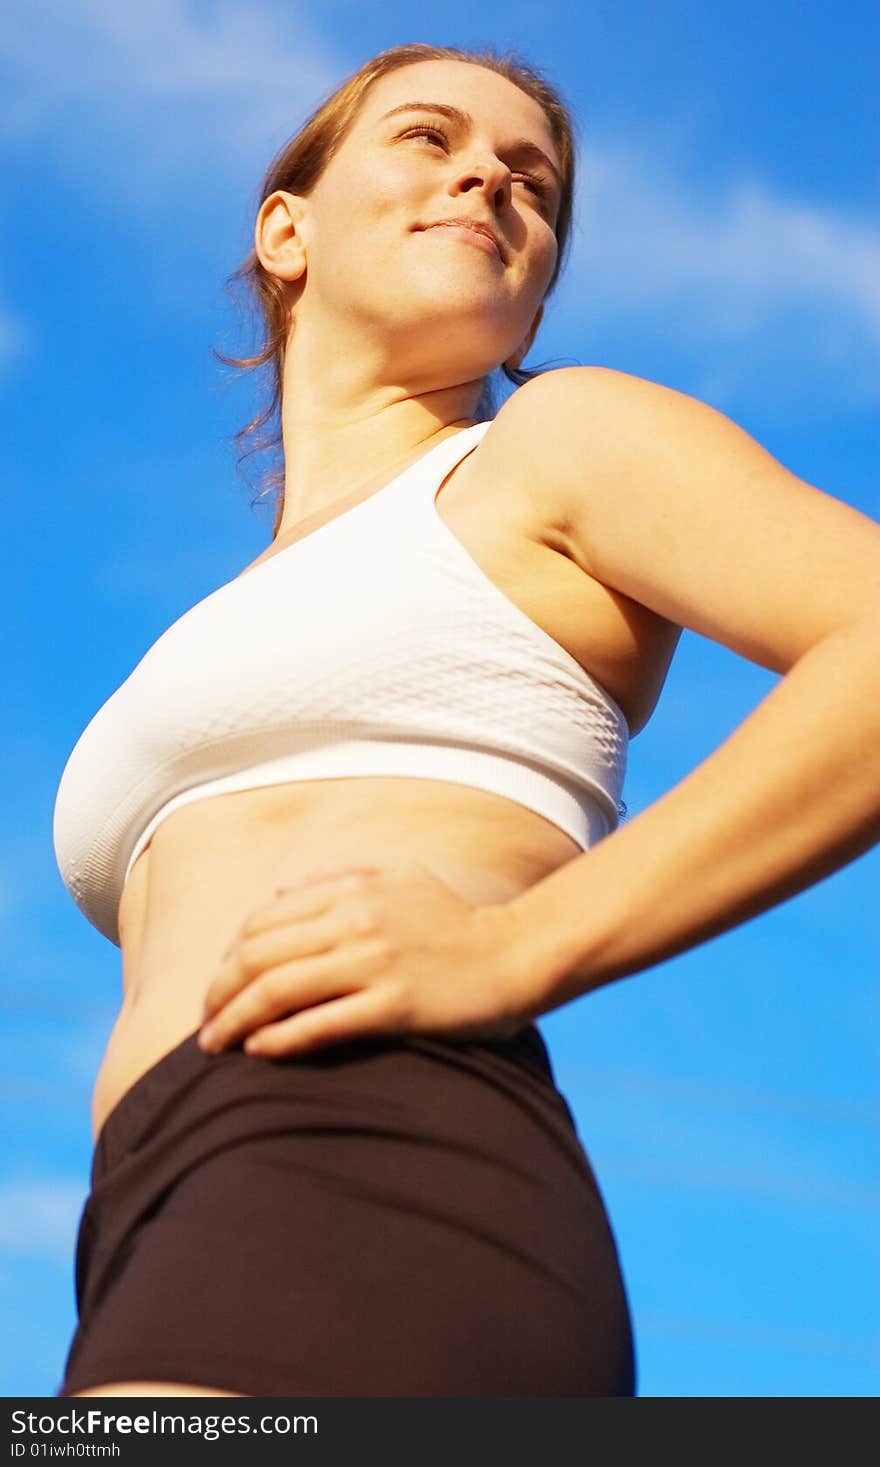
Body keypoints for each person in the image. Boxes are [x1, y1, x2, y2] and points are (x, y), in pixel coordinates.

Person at [51, 41, 880, 1399]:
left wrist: (517, 945)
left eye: (533, 181)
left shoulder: (550, 447)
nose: (491, 174)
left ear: (537, 287)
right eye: (430, 139)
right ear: (287, 230)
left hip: (363, 1138)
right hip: (150, 1212)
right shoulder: (213, 623)